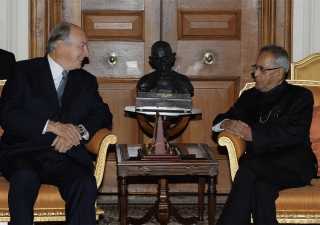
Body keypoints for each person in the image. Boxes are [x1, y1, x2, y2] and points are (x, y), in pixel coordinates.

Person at [0, 22, 113, 224]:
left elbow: (103, 113)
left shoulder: (86, 81)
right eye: (82, 46)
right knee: (25, 177)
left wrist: (76, 132)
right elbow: (8, 114)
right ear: (61, 45)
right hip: (24, 151)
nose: (86, 53)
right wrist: (50, 126)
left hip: (64, 155)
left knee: (84, 182)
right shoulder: (23, 71)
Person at [212, 45, 317, 224]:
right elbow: (219, 121)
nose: (256, 74)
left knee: (249, 167)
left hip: (294, 164)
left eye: (262, 69)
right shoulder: (248, 97)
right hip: (261, 167)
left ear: (279, 72)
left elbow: (295, 133)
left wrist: (253, 135)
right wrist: (227, 123)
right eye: (256, 67)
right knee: (261, 188)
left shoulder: (300, 96)